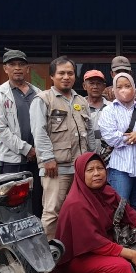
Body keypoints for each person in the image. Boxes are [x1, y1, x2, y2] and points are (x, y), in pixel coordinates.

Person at [30, 56, 96, 239]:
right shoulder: (43, 99)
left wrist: (92, 159)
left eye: (70, 73)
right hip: (56, 168)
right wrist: (48, 159)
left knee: (80, 210)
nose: (66, 77)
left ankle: (74, 250)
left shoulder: (81, 101)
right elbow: (39, 131)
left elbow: (89, 132)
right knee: (52, 212)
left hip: (80, 168)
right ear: (52, 76)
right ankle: (51, 256)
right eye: (61, 73)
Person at [0, 49, 43, 217]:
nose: (17, 68)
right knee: (11, 203)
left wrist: (38, 150)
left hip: (38, 159)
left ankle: (36, 235)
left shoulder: (39, 93)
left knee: (37, 200)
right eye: (12, 65)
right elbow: (0, 129)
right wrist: (27, 149)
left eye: (21, 64)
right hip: (12, 160)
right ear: (5, 68)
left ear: (28, 68)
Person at [99, 73, 136, 215]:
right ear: (113, 90)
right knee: (120, 206)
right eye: (119, 87)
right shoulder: (108, 111)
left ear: (134, 88)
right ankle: (119, 237)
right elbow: (111, 137)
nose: (124, 90)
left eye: (127, 86)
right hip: (120, 167)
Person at [83, 70, 111, 140]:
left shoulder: (111, 107)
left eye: (98, 83)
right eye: (91, 83)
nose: (95, 86)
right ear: (84, 86)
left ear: (104, 86)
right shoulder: (79, 107)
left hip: (109, 150)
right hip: (85, 150)